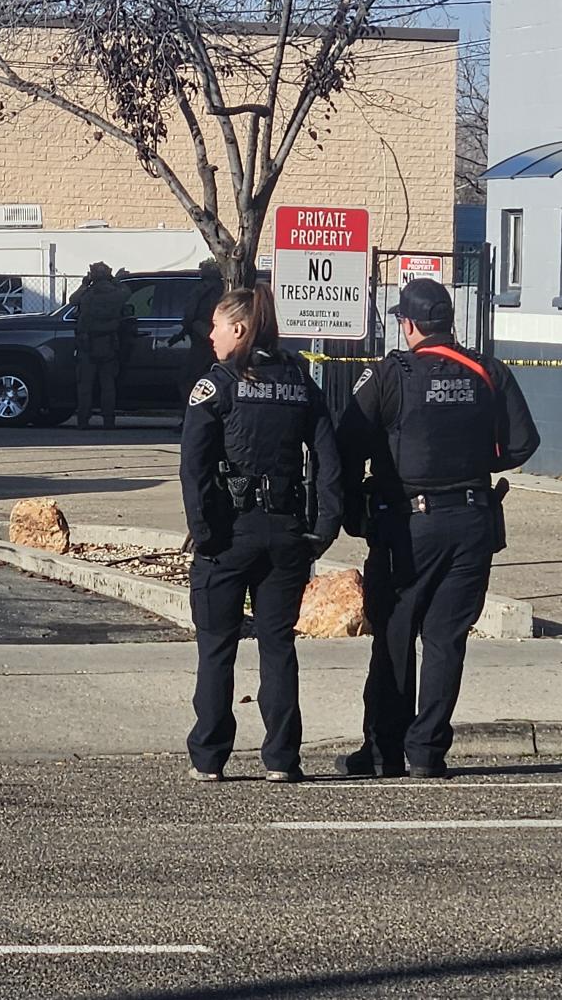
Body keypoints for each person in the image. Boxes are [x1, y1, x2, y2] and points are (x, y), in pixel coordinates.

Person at [336, 277, 539, 779]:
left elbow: (345, 447)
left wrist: (353, 504)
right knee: (447, 640)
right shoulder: (487, 371)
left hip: (407, 525)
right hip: (472, 520)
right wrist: (476, 461)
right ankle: (427, 752)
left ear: (407, 324)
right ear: (449, 322)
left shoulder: (387, 375)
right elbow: (521, 445)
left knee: (395, 635)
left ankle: (385, 751)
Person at [181, 284, 343, 783]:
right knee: (277, 646)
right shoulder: (299, 382)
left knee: (216, 646)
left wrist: (204, 531)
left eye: (217, 325)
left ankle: (209, 758)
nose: (210, 334)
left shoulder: (219, 383)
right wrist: (322, 529)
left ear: (240, 328)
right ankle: (281, 758)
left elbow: (194, 465)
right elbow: (328, 460)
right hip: (287, 533)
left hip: (230, 535)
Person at [66, 262, 130, 429]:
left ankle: (83, 421)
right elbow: (127, 292)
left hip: (87, 344)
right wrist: (115, 279)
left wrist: (84, 283)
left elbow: (72, 301)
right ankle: (108, 420)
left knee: (85, 385)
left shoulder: (87, 294)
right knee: (108, 385)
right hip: (109, 344)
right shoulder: (117, 294)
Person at [173, 260, 225, 394]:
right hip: (213, 337)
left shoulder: (205, 289)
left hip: (203, 339)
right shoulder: (222, 288)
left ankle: (192, 410)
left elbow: (191, 313)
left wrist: (189, 327)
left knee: (189, 378)